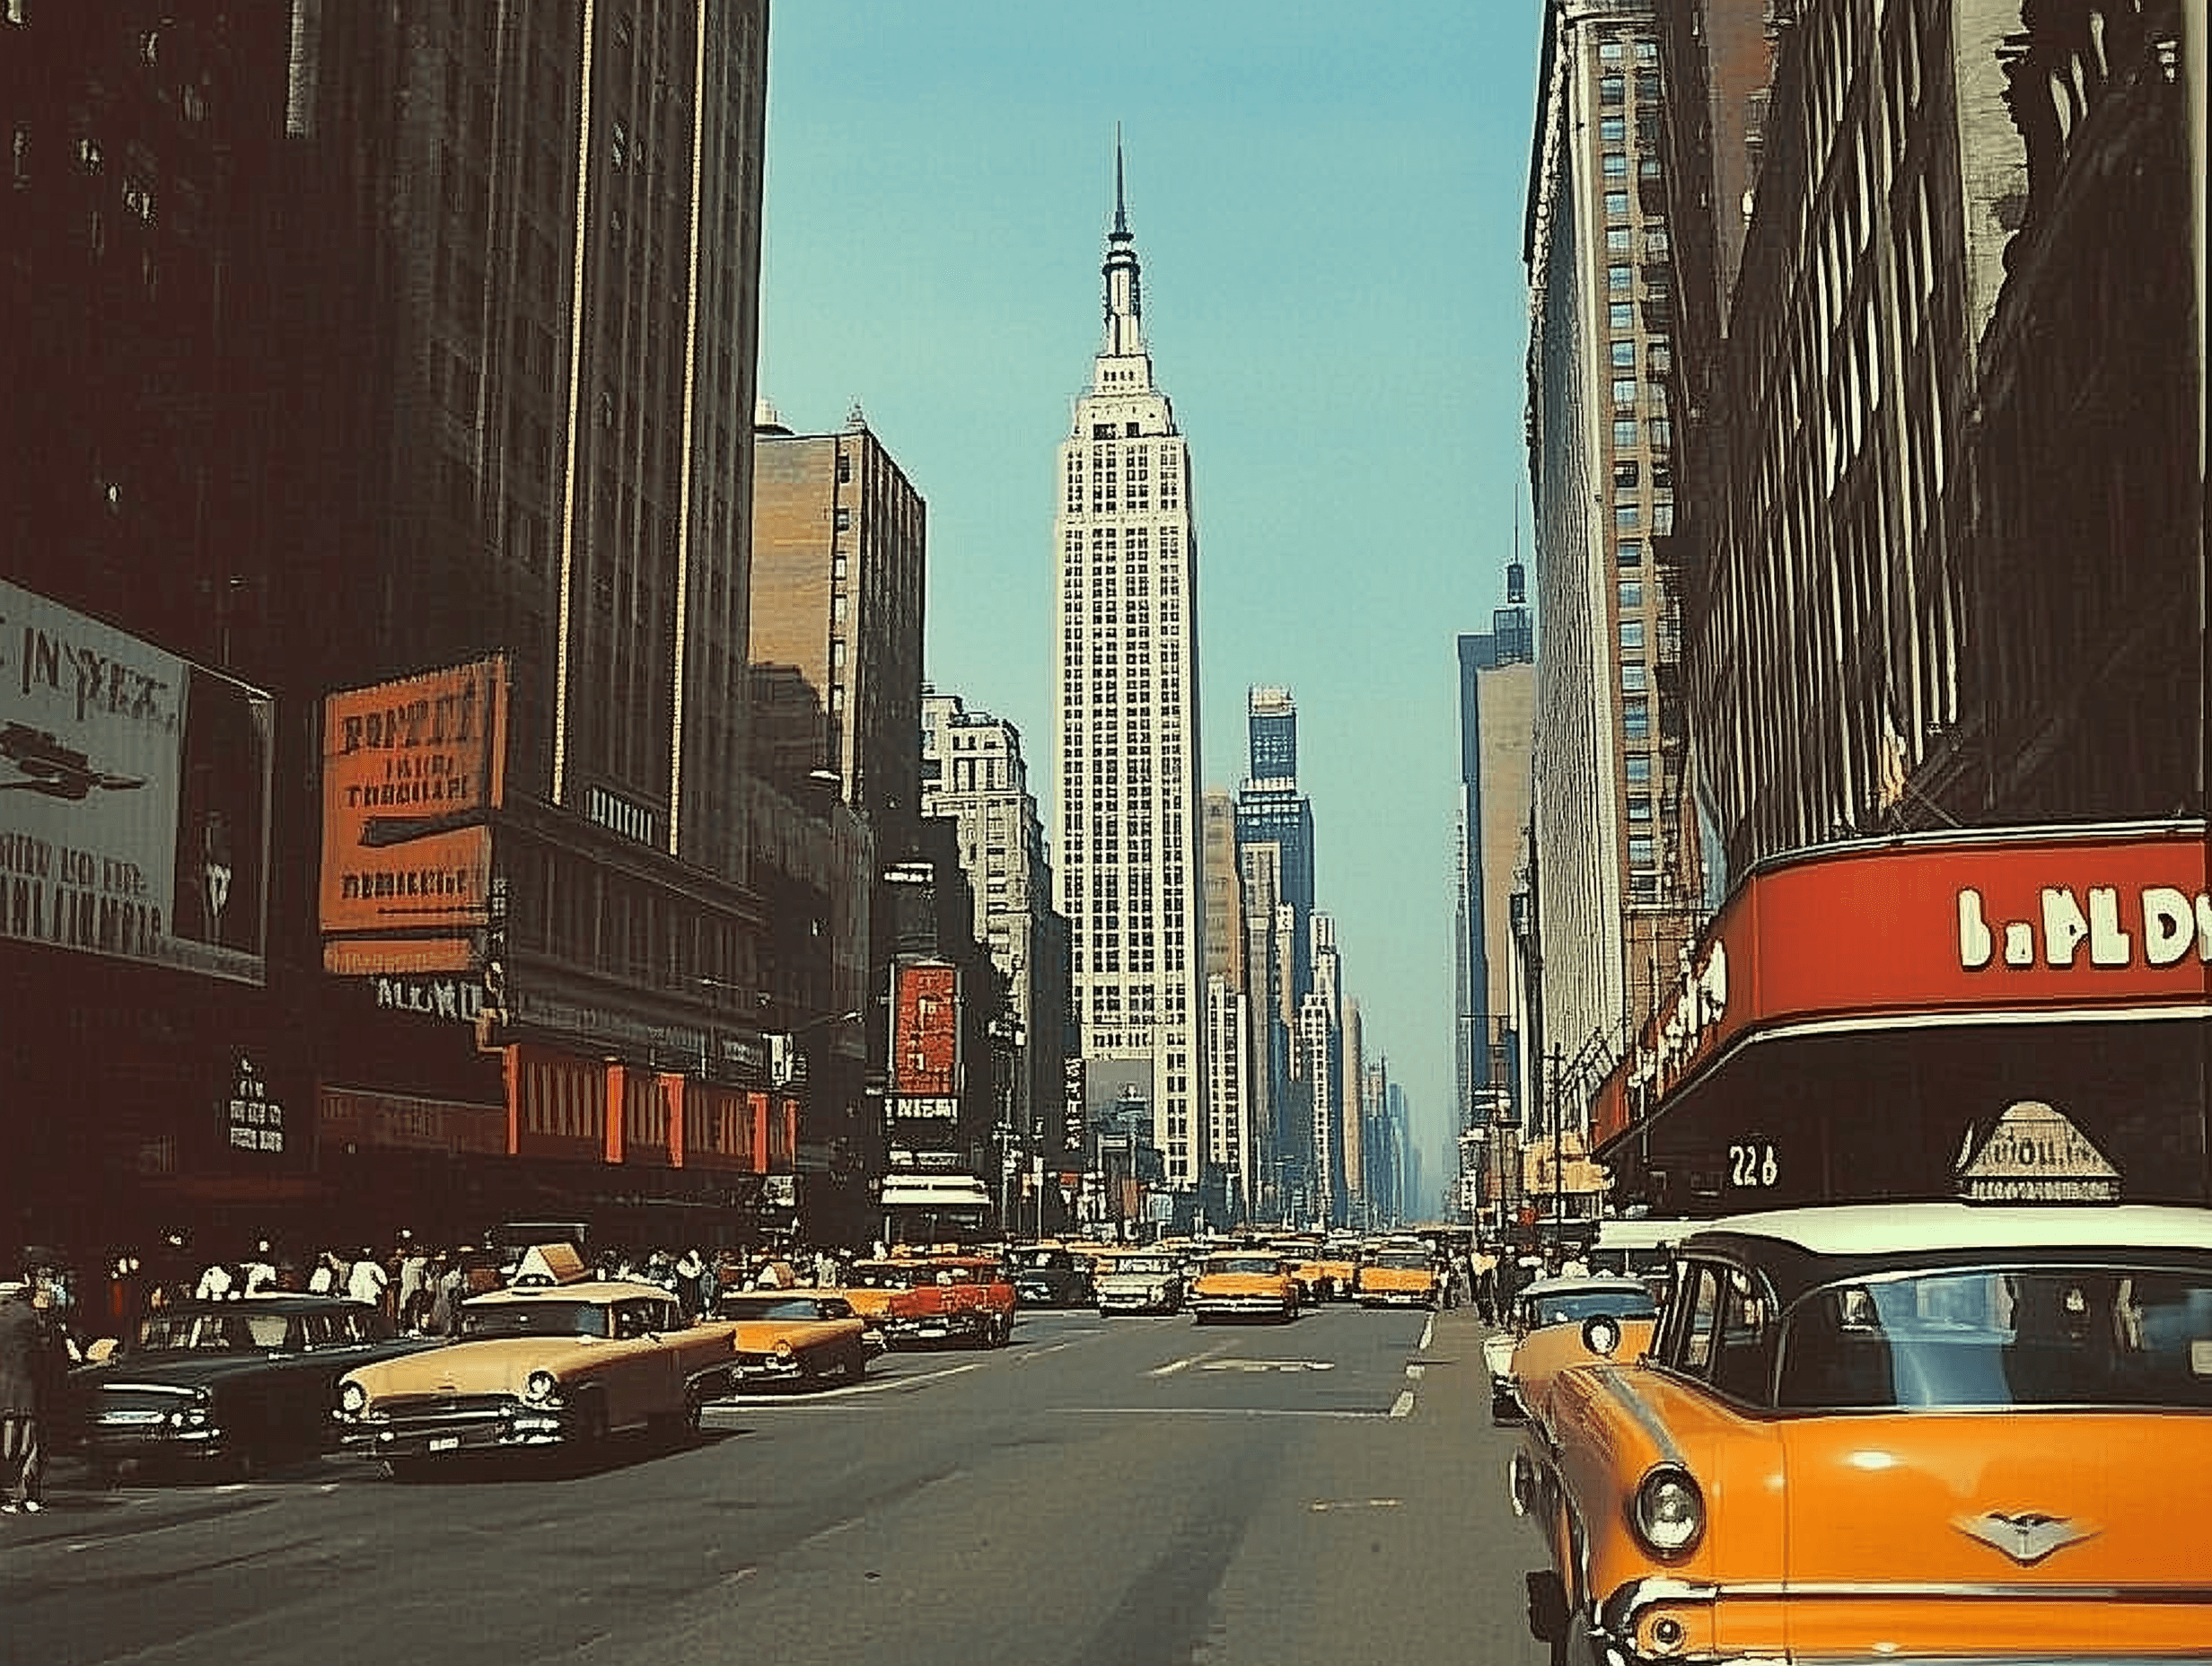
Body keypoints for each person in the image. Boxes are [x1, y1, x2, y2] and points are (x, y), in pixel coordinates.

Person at [0, 1274, 54, 1514]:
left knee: (7, 1443)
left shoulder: (7, 1314)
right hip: (25, 1390)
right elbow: (40, 1358)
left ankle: (9, 1495)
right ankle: (25, 1494)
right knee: (27, 1444)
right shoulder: (28, 1318)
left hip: (5, 1389)